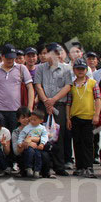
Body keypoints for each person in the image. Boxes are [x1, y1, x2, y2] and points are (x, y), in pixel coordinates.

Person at [33, 44, 72, 176]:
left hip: (59, 105)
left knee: (58, 136)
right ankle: (44, 165)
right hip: (44, 105)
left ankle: (59, 166)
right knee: (42, 134)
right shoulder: (40, 68)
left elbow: (68, 86)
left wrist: (53, 100)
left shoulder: (66, 69)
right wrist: (46, 101)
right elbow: (38, 85)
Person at [66, 59, 101, 178]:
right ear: (74, 70)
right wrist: (68, 118)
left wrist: (96, 114)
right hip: (75, 117)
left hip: (88, 118)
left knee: (88, 143)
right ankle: (79, 166)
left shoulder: (93, 83)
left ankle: (89, 167)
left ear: (86, 70)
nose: (80, 71)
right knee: (77, 142)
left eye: (82, 69)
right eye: (78, 69)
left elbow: (97, 99)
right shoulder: (71, 85)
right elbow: (68, 103)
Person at [0, 45, 33, 131]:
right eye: (8, 58)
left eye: (12, 58)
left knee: (15, 134)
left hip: (16, 110)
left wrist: (30, 107)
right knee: (1, 135)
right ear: (2, 57)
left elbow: (30, 88)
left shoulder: (21, 68)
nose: (10, 60)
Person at [17, 109, 49, 179]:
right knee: (30, 153)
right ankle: (29, 168)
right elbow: (22, 135)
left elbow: (45, 136)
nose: (32, 121)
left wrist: (42, 144)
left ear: (41, 120)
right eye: (31, 119)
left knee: (38, 155)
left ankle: (37, 170)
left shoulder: (42, 128)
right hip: (28, 145)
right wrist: (20, 142)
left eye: (35, 120)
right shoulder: (27, 127)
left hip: (37, 145)